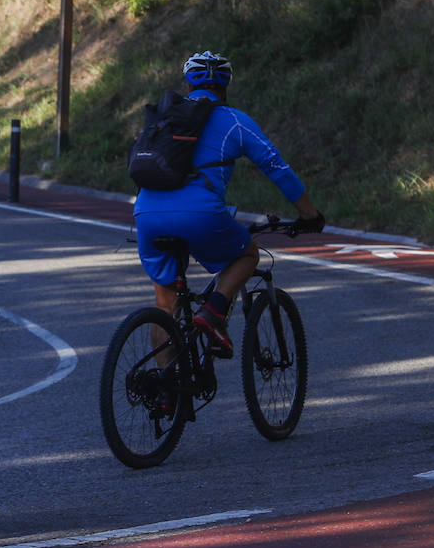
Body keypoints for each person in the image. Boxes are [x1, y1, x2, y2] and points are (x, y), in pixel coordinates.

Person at [134, 51, 324, 358]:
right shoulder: (235, 121)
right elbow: (275, 166)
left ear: (188, 83)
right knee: (247, 253)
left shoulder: (165, 118)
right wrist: (309, 214)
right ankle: (213, 312)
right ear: (225, 85)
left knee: (166, 305)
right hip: (200, 214)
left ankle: (165, 397)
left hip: (147, 212)